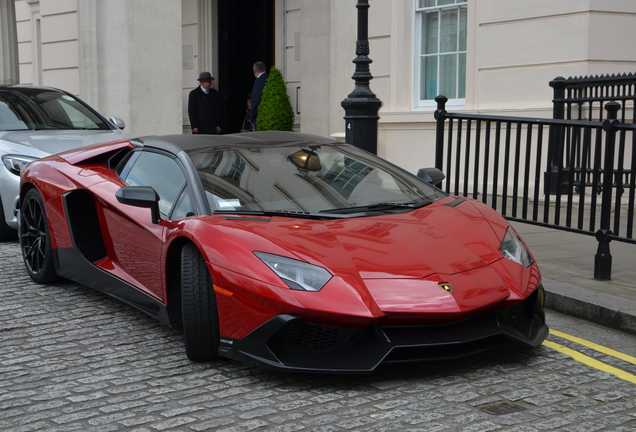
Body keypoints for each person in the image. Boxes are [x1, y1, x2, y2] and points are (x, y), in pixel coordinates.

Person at [248, 61, 268, 128]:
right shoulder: (268, 78)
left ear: (255, 70)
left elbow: (256, 99)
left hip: (259, 116)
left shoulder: (259, 81)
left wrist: (251, 115)